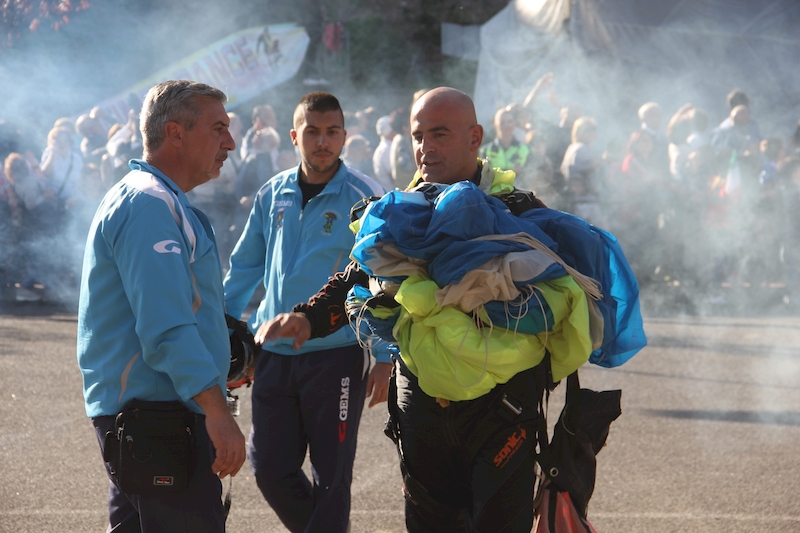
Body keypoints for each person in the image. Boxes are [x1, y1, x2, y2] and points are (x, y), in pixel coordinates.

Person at [258, 87, 556, 532]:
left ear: (475, 137)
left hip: (500, 413)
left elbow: (556, 312)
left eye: (440, 134)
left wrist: (560, 459)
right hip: (421, 413)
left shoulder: (518, 210)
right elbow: (355, 276)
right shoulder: (399, 212)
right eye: (418, 136)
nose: (425, 147)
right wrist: (309, 317)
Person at [77, 80, 246, 533]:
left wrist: (224, 349)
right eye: (218, 129)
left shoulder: (159, 199)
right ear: (175, 133)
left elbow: (180, 310)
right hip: (160, 419)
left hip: (151, 418)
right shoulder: (149, 203)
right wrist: (216, 409)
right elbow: (166, 326)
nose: (230, 142)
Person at [222, 91, 393, 533]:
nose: (323, 141)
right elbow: (244, 266)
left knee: (332, 480)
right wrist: (220, 326)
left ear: (344, 136)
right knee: (269, 471)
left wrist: (386, 357)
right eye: (313, 132)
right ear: (294, 135)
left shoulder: (365, 195)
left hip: (335, 353)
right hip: (274, 352)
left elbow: (384, 280)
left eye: (332, 132)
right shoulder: (272, 192)